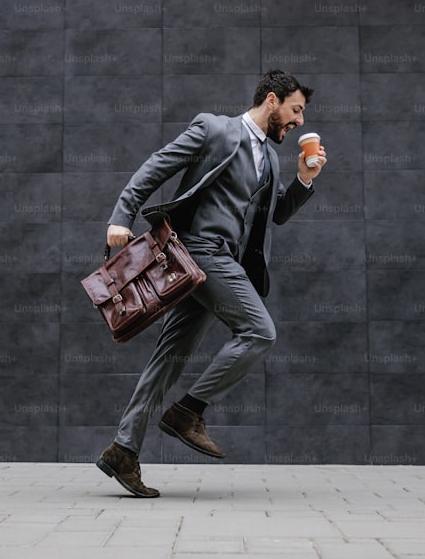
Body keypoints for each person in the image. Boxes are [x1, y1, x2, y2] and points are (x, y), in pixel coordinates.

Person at [95, 69, 328, 497]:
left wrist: (305, 178)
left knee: (169, 359)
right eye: (295, 110)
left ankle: (123, 450)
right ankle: (188, 411)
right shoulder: (215, 129)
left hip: (216, 267)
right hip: (201, 252)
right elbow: (155, 166)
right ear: (272, 101)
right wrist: (120, 216)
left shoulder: (272, 160)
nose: (299, 121)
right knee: (259, 331)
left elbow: (275, 213)